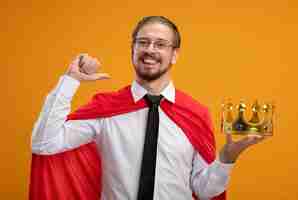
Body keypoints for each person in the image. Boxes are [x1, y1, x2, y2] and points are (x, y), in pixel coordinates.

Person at [31, 16, 265, 200]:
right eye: (143, 42)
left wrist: (227, 157)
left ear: (174, 55)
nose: (150, 49)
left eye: (161, 44)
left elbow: (204, 191)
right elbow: (44, 144)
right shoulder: (106, 108)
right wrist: (71, 80)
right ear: (132, 49)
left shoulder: (195, 113)